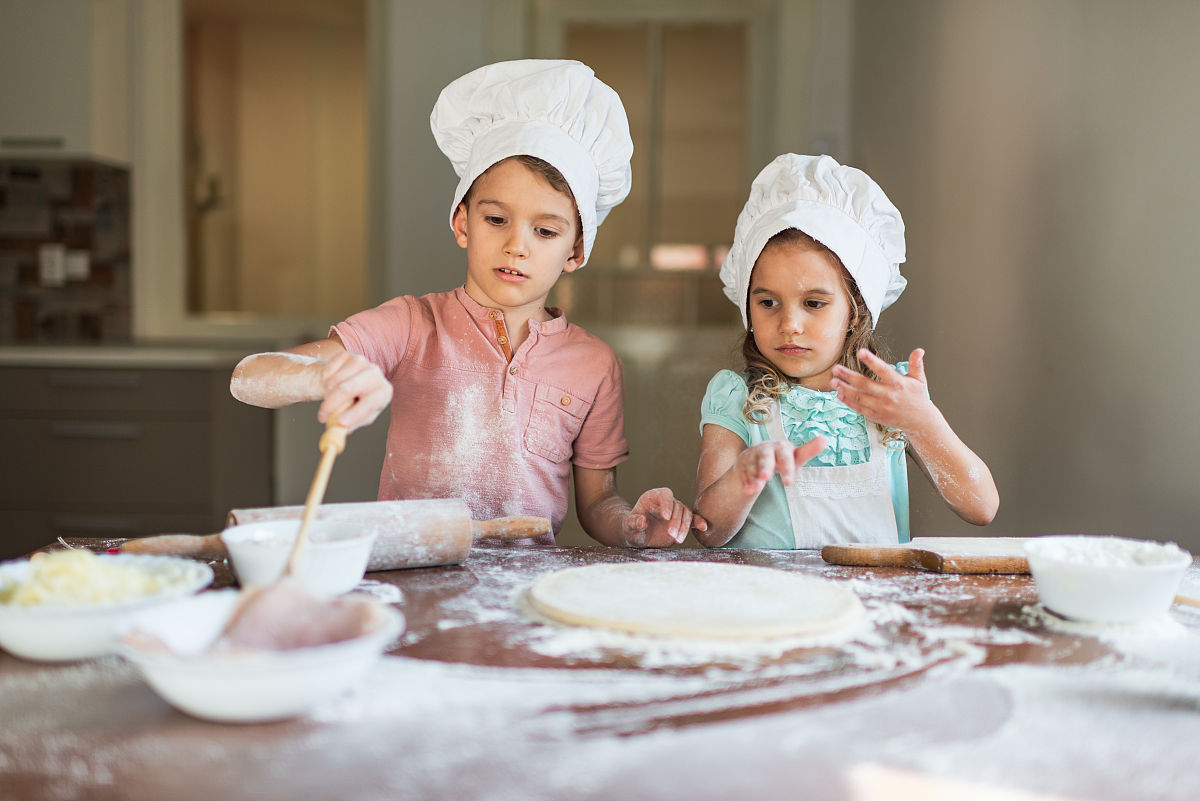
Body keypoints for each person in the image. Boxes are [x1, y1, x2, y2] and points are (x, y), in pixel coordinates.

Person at [230, 60, 704, 548]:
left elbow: (597, 502)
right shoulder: (411, 326)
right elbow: (250, 378)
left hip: (525, 589)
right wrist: (324, 375)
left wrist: (632, 526)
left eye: (545, 231)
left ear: (576, 251)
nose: (517, 245)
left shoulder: (595, 365)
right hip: (415, 579)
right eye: (497, 219)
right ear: (462, 223)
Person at [694, 153, 998, 549]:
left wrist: (923, 422)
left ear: (856, 310)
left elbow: (982, 507)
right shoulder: (738, 397)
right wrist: (742, 477)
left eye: (814, 303)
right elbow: (709, 532)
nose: (790, 324)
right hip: (769, 602)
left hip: (872, 606)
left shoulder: (890, 398)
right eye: (768, 303)